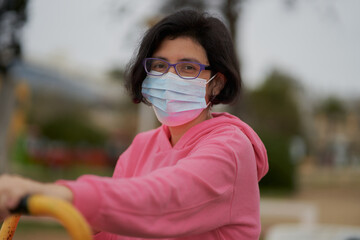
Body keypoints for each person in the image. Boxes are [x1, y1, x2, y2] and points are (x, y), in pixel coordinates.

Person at [0, 9, 268, 240]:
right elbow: (114, 226)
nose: (170, 77)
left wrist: (49, 192)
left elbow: (165, 200)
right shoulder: (141, 147)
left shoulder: (230, 149)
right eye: (160, 65)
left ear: (217, 83)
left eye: (188, 68)